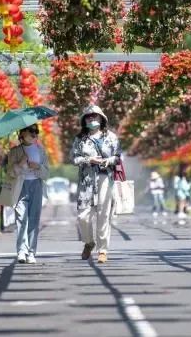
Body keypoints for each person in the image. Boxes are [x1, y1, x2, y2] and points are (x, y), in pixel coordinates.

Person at [70, 105, 122, 264]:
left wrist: (108, 161)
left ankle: (103, 250)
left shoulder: (111, 137)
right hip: (86, 181)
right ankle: (89, 242)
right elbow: (74, 158)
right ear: (84, 120)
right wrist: (88, 160)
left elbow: (118, 157)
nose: (91, 118)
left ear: (101, 119)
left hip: (105, 178)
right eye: (88, 116)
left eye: (95, 116)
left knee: (103, 214)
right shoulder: (80, 139)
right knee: (83, 216)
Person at [6, 124, 49, 264]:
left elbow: (46, 173)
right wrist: (19, 164)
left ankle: (31, 252)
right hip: (20, 186)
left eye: (36, 131)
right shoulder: (15, 152)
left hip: (36, 185)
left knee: (34, 220)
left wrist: (38, 167)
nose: (34, 134)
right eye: (31, 131)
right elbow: (10, 173)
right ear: (22, 133)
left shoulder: (41, 151)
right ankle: (22, 251)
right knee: (21, 219)